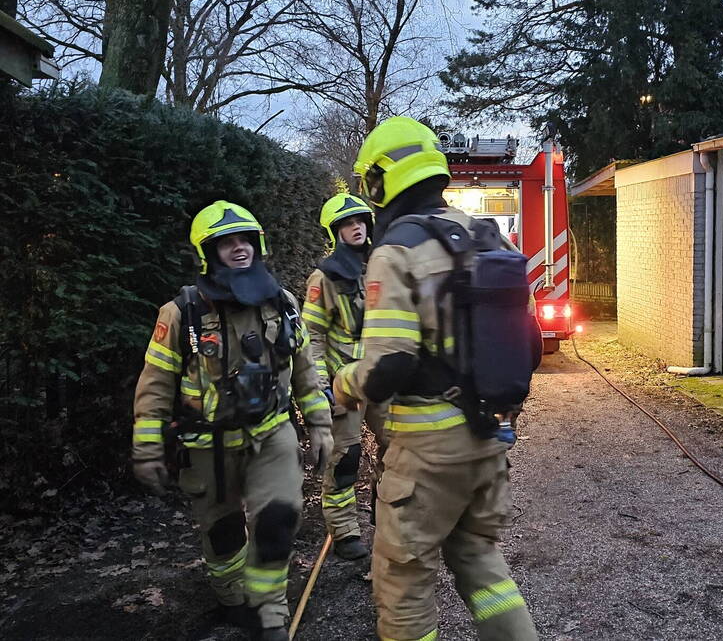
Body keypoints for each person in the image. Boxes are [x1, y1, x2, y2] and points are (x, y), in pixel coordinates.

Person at [335, 117, 539, 641]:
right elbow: (531, 345)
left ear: (379, 181)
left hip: (429, 447)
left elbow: (389, 367)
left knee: (403, 580)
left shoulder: (397, 249)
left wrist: (342, 382)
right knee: (479, 557)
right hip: (489, 438)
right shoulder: (485, 236)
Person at [131, 201, 333, 640]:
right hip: (209, 445)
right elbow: (155, 384)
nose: (239, 249)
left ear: (258, 245)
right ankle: (231, 597)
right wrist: (147, 448)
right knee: (223, 535)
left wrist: (319, 424)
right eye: (227, 243)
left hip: (273, 433)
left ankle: (269, 612)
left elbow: (302, 370)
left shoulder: (284, 304)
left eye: (245, 240)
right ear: (209, 253)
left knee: (277, 523)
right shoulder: (180, 314)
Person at [302, 192, 384, 560]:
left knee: (398, 449)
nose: (356, 227)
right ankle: (345, 530)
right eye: (348, 223)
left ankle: (387, 512)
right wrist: (321, 386)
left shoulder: (380, 266)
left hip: (383, 375)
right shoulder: (324, 278)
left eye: (361, 221)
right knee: (346, 457)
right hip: (344, 381)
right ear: (335, 232)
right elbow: (312, 337)